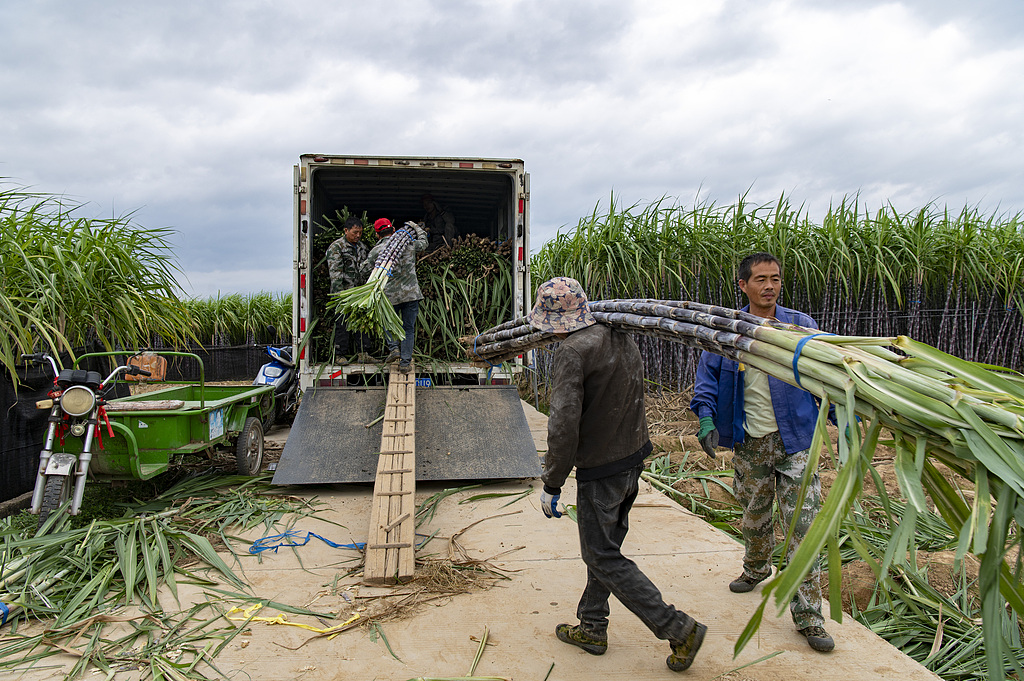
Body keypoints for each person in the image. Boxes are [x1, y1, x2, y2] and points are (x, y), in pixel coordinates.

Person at [534, 276, 706, 673]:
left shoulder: (572, 351)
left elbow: (563, 424)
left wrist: (552, 482)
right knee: (605, 549)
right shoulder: (617, 333)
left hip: (602, 468)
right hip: (631, 458)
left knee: (601, 554)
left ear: (555, 321)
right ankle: (592, 627)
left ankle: (678, 628)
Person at [689, 252, 834, 653]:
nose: (769, 286)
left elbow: (828, 376)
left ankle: (809, 616)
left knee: (803, 528)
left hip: (796, 441)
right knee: (754, 517)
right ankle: (756, 567)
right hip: (750, 441)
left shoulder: (800, 327)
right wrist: (706, 418)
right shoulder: (727, 330)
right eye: (760, 280)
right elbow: (707, 380)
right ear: (743, 285)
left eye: (775, 279)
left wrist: (843, 415)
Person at [362, 218, 428, 373]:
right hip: (411, 294)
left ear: (377, 235)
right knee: (408, 328)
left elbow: (364, 270)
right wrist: (416, 227)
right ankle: (405, 363)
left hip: (389, 297)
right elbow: (424, 243)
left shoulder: (376, 251)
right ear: (393, 230)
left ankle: (394, 349)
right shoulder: (408, 245)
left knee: (388, 323)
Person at [326, 216, 370, 363]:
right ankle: (340, 354)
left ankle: (363, 353)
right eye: (355, 232)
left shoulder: (362, 247)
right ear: (346, 230)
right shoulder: (337, 247)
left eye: (360, 233)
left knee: (362, 323)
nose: (358, 235)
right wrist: (340, 295)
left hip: (360, 293)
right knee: (343, 323)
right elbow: (335, 274)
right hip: (344, 293)